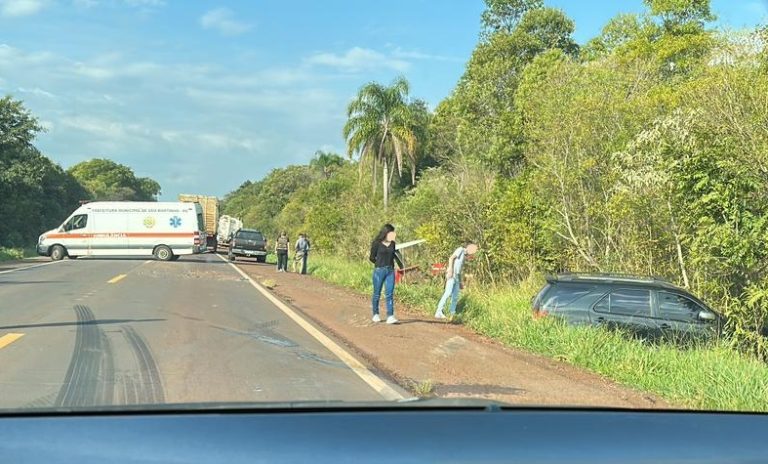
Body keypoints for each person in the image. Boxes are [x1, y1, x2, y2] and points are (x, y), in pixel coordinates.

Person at [369, 224, 403, 324]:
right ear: (386, 233)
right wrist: (379, 264)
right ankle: (375, 314)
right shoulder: (376, 243)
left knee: (389, 293)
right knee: (377, 293)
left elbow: (394, 256)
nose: (394, 234)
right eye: (392, 232)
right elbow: (371, 257)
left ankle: (390, 316)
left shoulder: (393, 244)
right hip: (379, 271)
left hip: (390, 270)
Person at [435, 241, 479, 319]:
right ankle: (438, 311)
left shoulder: (464, 256)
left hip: (457, 278)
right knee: (448, 293)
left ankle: (452, 314)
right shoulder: (460, 249)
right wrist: (450, 270)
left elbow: (459, 271)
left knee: (455, 296)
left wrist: (460, 282)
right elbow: (451, 258)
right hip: (452, 275)